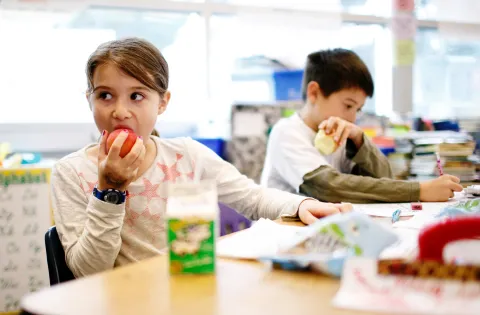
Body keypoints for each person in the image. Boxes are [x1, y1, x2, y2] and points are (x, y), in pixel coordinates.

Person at [51, 38, 351, 278]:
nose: (119, 111)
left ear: (163, 103)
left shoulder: (186, 156)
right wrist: (110, 191)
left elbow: (253, 198)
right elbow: (89, 272)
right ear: (89, 99)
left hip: (188, 291)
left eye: (137, 96)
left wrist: (302, 204)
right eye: (105, 95)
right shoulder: (71, 172)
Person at [261, 48, 463, 203]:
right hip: (279, 235)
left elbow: (384, 177)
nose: (352, 118)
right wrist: (420, 190)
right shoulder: (286, 132)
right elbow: (327, 187)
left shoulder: (339, 136)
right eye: (348, 105)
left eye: (358, 109)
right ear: (314, 93)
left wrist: (359, 141)